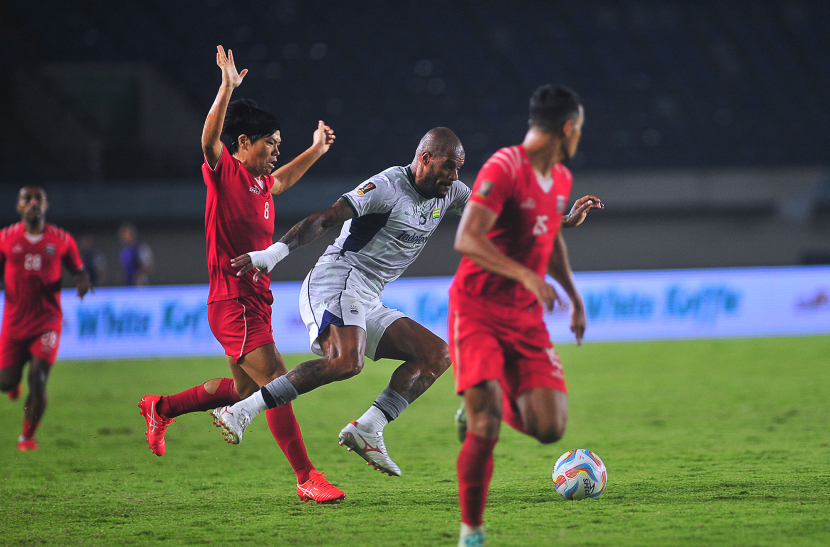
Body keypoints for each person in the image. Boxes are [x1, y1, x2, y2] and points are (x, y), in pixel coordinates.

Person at [211, 126, 601, 478]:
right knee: (347, 361)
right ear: (425, 158)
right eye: (448, 167)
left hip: (368, 294)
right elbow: (326, 217)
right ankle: (242, 410)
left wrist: (560, 220)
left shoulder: (450, 193)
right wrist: (274, 254)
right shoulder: (386, 187)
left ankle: (369, 428)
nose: (453, 178)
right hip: (337, 278)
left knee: (436, 355)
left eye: (459, 170)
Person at [138, 45, 344, 504]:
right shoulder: (226, 171)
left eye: (278, 146)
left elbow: (285, 180)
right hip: (232, 301)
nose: (274, 152)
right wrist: (227, 88)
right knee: (278, 384)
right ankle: (307, 476)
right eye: (269, 144)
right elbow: (209, 141)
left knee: (245, 390)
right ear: (244, 143)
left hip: (254, 301)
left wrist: (315, 150)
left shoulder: (261, 185)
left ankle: (161, 407)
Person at [449, 84, 591, 547]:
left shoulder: (562, 179)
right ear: (568, 128)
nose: (578, 138)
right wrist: (526, 277)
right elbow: (467, 238)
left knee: (550, 429)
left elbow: (549, 241)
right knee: (488, 423)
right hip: (477, 308)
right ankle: (472, 531)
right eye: (579, 130)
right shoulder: (504, 166)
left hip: (525, 317)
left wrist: (574, 296)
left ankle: (474, 408)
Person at [0, 185, 91, 451]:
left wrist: (83, 281)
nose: (33, 203)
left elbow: (78, 270)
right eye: (27, 199)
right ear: (18, 206)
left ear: (46, 205)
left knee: (38, 378)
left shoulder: (61, 239)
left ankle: (26, 437)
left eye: (38, 198)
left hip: (46, 322)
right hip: (14, 323)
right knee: (6, 381)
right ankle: (11, 385)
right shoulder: (5, 238)